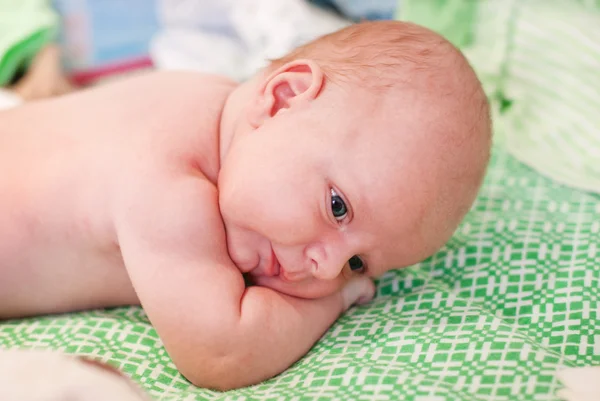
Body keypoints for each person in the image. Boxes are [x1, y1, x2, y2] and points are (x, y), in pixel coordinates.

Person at [0, 21, 491, 390]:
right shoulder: (168, 187)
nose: (326, 267)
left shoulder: (207, 105)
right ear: (281, 99)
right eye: (338, 208)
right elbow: (220, 352)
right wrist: (336, 300)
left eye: (357, 262)